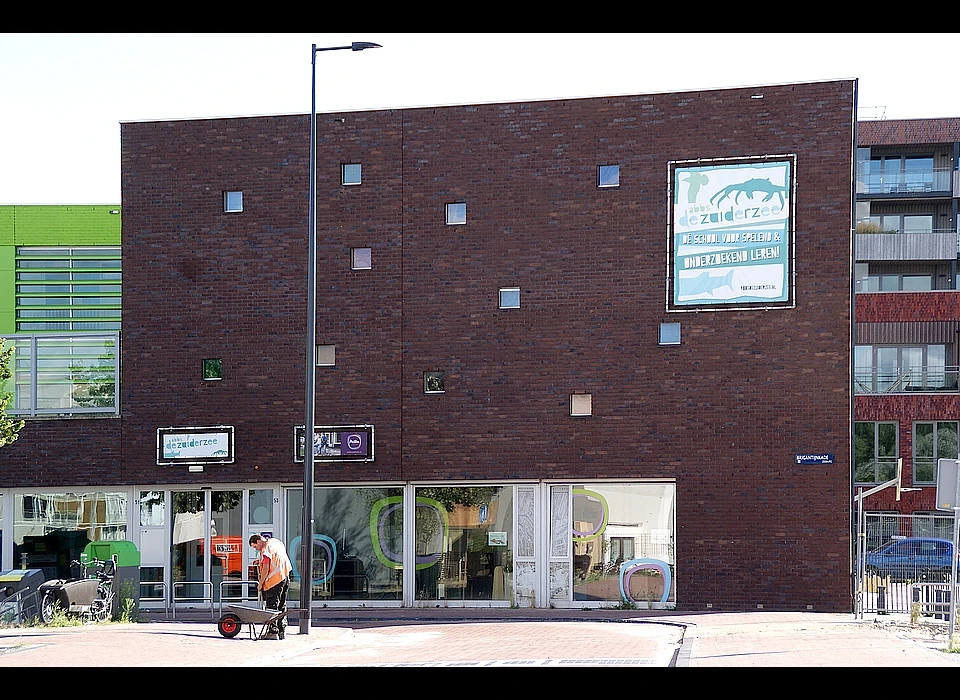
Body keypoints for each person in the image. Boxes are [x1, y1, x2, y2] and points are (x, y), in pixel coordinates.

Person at [249, 533, 292, 639]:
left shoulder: (265, 549)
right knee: (282, 605)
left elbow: (266, 569)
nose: (257, 550)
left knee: (272, 606)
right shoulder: (276, 542)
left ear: (259, 541)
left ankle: (273, 632)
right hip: (285, 576)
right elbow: (276, 558)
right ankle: (281, 630)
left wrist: (261, 584)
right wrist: (260, 561)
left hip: (274, 580)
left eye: (255, 547)